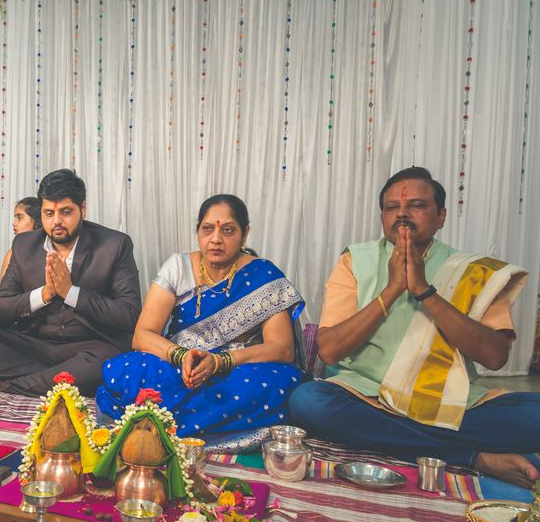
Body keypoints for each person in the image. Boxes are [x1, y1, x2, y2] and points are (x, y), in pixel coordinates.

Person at [288, 167, 537, 487]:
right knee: (309, 401)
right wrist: (392, 290)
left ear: (441, 216)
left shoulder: (473, 272)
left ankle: (404, 440)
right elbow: (331, 351)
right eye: (392, 208)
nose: (402, 214)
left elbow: (495, 356)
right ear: (382, 216)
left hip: (449, 402)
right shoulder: (355, 261)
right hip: (367, 397)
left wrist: (424, 291)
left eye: (417, 206)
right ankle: (473, 457)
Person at [96, 195, 306, 437]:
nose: (216, 239)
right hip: (181, 368)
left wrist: (220, 362)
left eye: (228, 230)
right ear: (198, 231)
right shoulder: (178, 266)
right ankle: (203, 420)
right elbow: (142, 335)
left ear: (244, 233)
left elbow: (282, 349)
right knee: (124, 368)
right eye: (207, 229)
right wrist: (182, 356)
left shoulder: (263, 275)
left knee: (281, 382)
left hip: (236, 370)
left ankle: (160, 421)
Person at [0, 169, 142, 396]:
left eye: (66, 212)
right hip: (34, 345)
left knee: (105, 365)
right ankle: (60, 380)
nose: (56, 221)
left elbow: (128, 315)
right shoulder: (24, 245)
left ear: (83, 209)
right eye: (49, 213)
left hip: (89, 347)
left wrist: (70, 292)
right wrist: (46, 294)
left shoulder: (115, 245)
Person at [0, 196, 42, 328]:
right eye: (15, 217)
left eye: (19, 217)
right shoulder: (13, 252)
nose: (14, 223)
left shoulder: (49, 250)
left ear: (36, 221)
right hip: (13, 312)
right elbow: (3, 292)